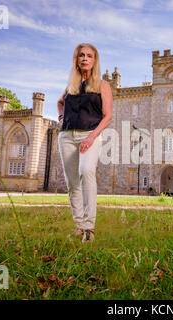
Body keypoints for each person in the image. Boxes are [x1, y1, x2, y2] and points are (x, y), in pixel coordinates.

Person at [57, 43, 112, 242]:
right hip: (67, 136)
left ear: (95, 60)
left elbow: (107, 116)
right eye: (81, 55)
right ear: (76, 59)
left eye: (89, 55)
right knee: (72, 183)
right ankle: (79, 225)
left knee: (86, 172)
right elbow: (60, 102)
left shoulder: (102, 85)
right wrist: (61, 118)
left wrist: (91, 137)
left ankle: (89, 227)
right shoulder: (71, 85)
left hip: (90, 135)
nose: (85, 58)